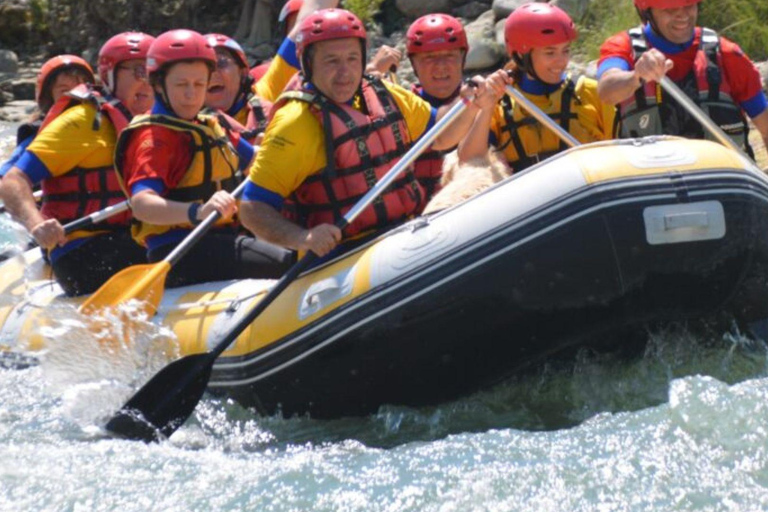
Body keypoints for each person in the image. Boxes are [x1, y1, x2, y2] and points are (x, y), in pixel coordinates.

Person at [239, 8, 503, 263]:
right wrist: (302, 238)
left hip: (404, 234)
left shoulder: (384, 93)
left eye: (352, 58)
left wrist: (470, 103)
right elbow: (251, 208)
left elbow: (442, 136)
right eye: (332, 61)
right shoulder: (294, 123)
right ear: (308, 63)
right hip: (341, 256)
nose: (345, 72)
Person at [116, 29, 293, 288]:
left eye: (199, 84)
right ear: (157, 85)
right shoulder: (154, 139)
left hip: (218, 240)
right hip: (180, 250)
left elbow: (256, 160)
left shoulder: (208, 125)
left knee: (297, 245)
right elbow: (142, 204)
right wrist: (197, 211)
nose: (191, 94)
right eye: (181, 84)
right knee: (292, 263)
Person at [0, 32, 154, 296]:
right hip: (84, 247)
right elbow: (11, 180)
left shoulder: (159, 123)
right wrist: (36, 223)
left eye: (154, 72)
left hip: (134, 235)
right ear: (110, 76)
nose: (148, 81)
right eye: (139, 71)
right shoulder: (80, 121)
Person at [596, 0, 768, 154]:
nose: (683, 16)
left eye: (688, 6)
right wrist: (636, 77)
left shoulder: (727, 54)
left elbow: (765, 125)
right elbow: (606, 91)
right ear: (647, 12)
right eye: (669, 10)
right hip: (653, 183)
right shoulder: (622, 47)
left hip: (720, 183)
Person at [458, 3, 615, 171]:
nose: (561, 61)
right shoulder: (499, 103)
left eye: (565, 50)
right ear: (520, 55)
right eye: (550, 52)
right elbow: (469, 160)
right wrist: (487, 107)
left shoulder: (591, 92)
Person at [404, 14, 469, 201]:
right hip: (423, 215)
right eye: (429, 57)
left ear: (462, 59)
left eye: (449, 55)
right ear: (413, 64)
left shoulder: (486, 99)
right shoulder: (402, 108)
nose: (441, 66)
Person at [0, 56, 94, 178]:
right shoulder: (38, 136)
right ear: (48, 98)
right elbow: (5, 177)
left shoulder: (106, 123)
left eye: (80, 88)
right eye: (64, 91)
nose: (75, 96)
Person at [205, 33, 272, 142]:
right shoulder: (184, 124)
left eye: (221, 63)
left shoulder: (269, 115)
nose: (212, 73)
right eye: (204, 67)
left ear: (243, 72)